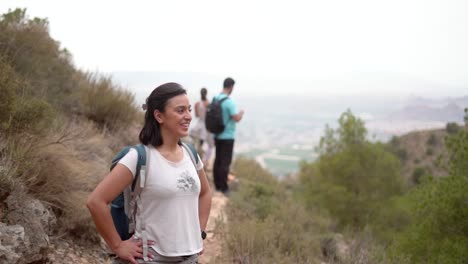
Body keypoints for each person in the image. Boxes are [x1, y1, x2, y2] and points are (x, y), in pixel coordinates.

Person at [87, 82, 212, 264]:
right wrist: (117, 246)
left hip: (189, 259)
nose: (188, 116)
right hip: (149, 259)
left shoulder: (191, 155)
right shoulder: (138, 157)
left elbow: (206, 193)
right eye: (180, 110)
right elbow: (95, 201)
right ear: (159, 116)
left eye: (189, 109)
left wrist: (199, 232)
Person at [212, 77, 244, 194]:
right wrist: (241, 113)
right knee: (225, 162)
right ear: (231, 87)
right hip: (227, 136)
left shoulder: (215, 99)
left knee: (218, 160)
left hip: (217, 135)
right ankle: (223, 188)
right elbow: (236, 118)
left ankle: (217, 185)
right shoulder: (229, 102)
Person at [189, 87, 214, 167]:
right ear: (206, 93)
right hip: (207, 125)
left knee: (198, 144)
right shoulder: (208, 103)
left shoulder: (197, 104)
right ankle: (204, 160)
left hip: (199, 125)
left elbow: (196, 115)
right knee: (210, 145)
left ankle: (197, 159)